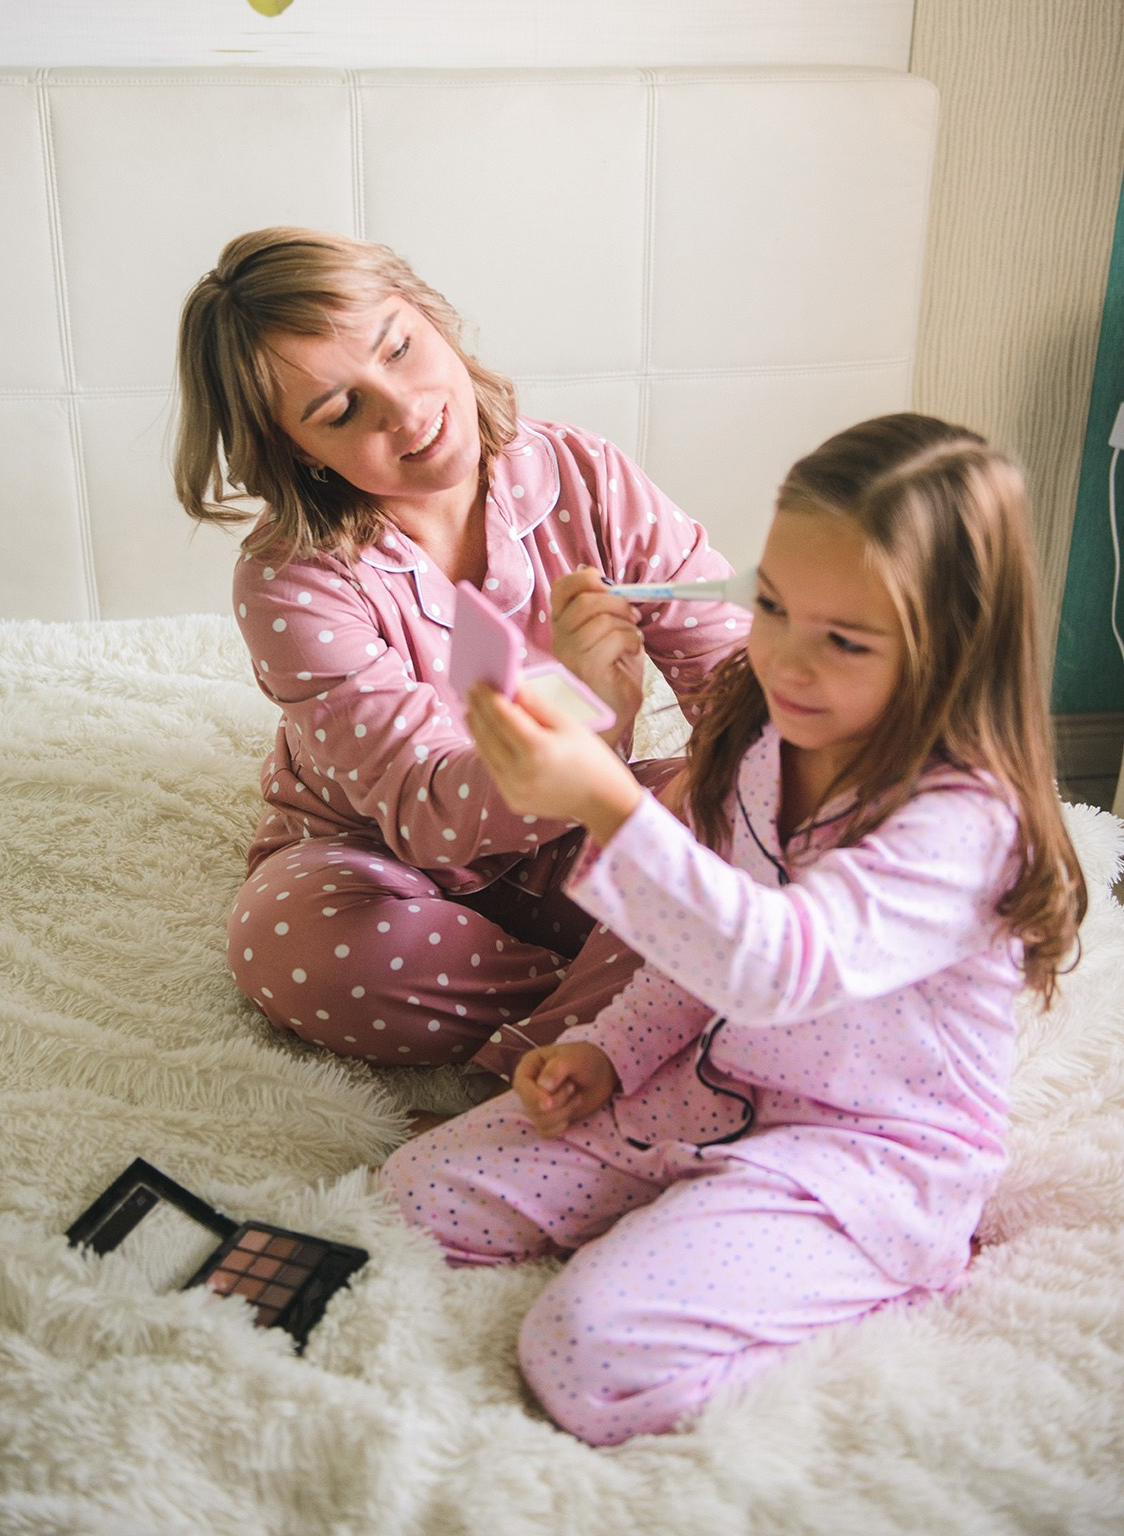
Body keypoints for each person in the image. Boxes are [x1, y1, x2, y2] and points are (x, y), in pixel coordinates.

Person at [382, 413, 1086, 1447]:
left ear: (952, 649)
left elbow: (774, 965)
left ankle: (842, 1278)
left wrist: (605, 804)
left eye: (843, 641)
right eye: (771, 606)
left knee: (584, 1356)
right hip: (710, 1093)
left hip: (863, 1159)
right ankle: (690, 1237)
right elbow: (699, 955)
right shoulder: (765, 748)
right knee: (411, 1198)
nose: (786, 661)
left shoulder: (959, 825)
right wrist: (607, 1054)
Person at [174, 228, 749, 1082]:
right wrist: (586, 720)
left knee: (749, 806)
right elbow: (425, 812)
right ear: (296, 448)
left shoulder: (584, 475)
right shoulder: (289, 580)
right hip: (375, 859)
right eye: (339, 411)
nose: (404, 411)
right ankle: (642, 1022)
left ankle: (631, 1019)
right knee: (285, 943)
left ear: (433, 317)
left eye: (400, 347)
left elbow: (731, 681)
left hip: (583, 835)